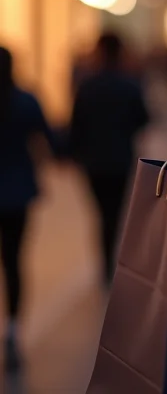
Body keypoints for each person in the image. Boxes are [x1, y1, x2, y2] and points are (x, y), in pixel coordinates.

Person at [68, 32, 149, 284]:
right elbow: (143, 118)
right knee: (114, 212)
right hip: (121, 158)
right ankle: (111, 261)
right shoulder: (129, 84)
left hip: (93, 160)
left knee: (101, 212)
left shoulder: (87, 85)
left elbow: (76, 124)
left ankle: (105, 263)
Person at [0, 47, 57, 372]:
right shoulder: (24, 100)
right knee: (13, 260)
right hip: (16, 194)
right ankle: (11, 328)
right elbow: (48, 139)